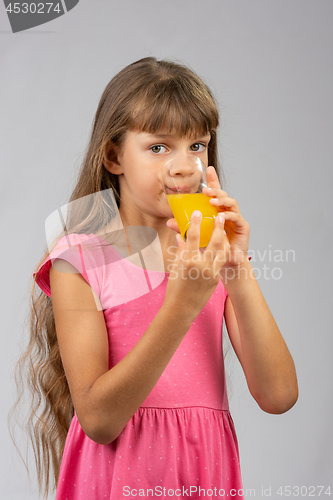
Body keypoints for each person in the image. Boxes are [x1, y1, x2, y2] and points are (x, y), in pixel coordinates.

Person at [10, 57, 298, 500]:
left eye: (197, 146)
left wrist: (238, 268)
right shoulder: (80, 260)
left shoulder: (212, 257)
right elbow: (100, 420)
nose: (184, 166)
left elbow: (278, 396)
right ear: (113, 156)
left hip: (204, 473)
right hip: (117, 479)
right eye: (159, 147)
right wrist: (182, 305)